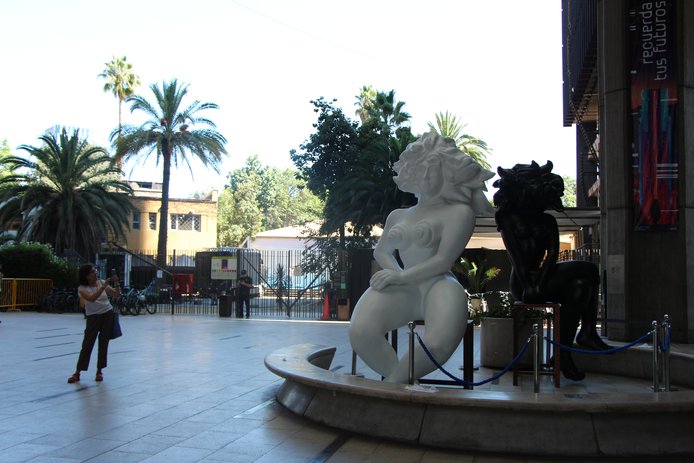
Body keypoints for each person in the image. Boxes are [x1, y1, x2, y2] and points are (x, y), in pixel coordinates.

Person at [349, 131, 494, 383]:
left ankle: (394, 386)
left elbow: (443, 260)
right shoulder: (398, 215)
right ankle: (399, 383)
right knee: (360, 331)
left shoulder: (459, 213)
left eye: (432, 170)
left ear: (447, 172)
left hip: (439, 284)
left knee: (437, 343)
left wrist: (401, 277)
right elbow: (381, 251)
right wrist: (397, 275)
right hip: (405, 284)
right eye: (420, 169)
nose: (425, 176)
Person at [493, 161, 610, 381]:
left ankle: (565, 353)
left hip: (544, 277)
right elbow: (515, 257)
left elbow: (552, 255)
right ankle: (585, 335)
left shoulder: (547, 220)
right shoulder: (508, 219)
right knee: (589, 270)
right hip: (521, 281)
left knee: (581, 286)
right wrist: (530, 285)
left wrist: (540, 283)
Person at [67, 264, 120, 383]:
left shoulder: (101, 282)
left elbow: (116, 294)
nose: (95, 273)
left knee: (103, 343)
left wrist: (116, 283)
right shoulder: (82, 288)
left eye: (95, 271)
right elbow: (91, 299)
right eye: (92, 271)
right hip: (93, 317)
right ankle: (77, 372)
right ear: (86, 276)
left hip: (107, 314)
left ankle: (99, 371)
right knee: (87, 344)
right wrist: (104, 286)